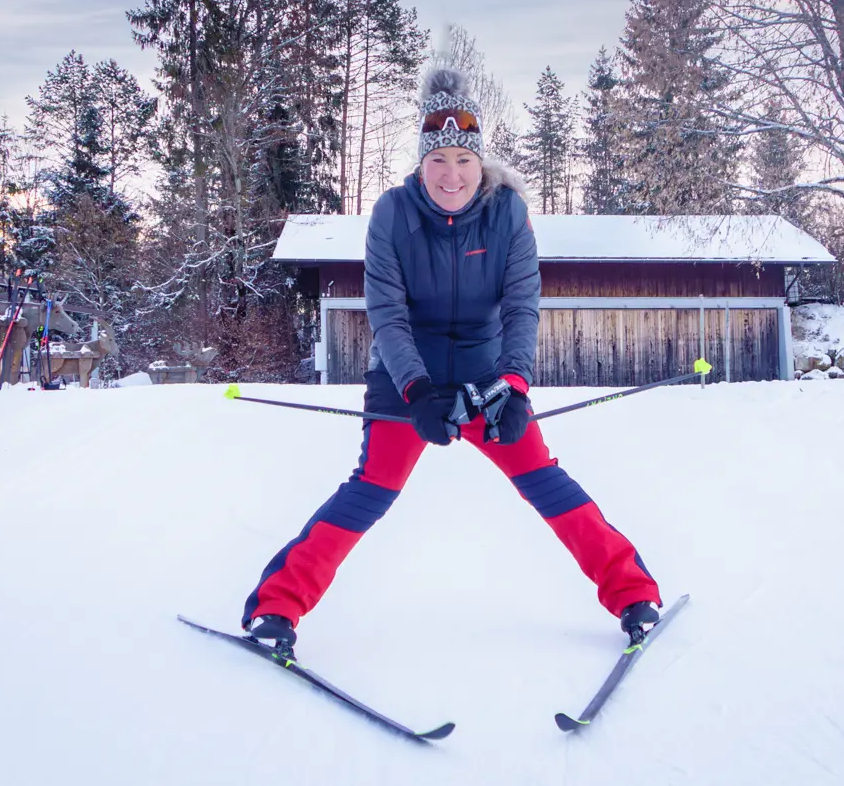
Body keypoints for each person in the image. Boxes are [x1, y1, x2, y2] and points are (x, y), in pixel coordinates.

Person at [242, 69, 662, 653]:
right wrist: (416, 391)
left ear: (479, 162)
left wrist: (514, 386)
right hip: (406, 377)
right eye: (438, 158)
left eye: (464, 158)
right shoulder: (392, 213)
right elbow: (385, 312)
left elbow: (522, 307)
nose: (452, 174)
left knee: (545, 482)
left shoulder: (507, 212)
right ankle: (275, 610)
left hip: (488, 374)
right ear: (421, 162)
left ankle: (635, 596)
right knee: (372, 488)